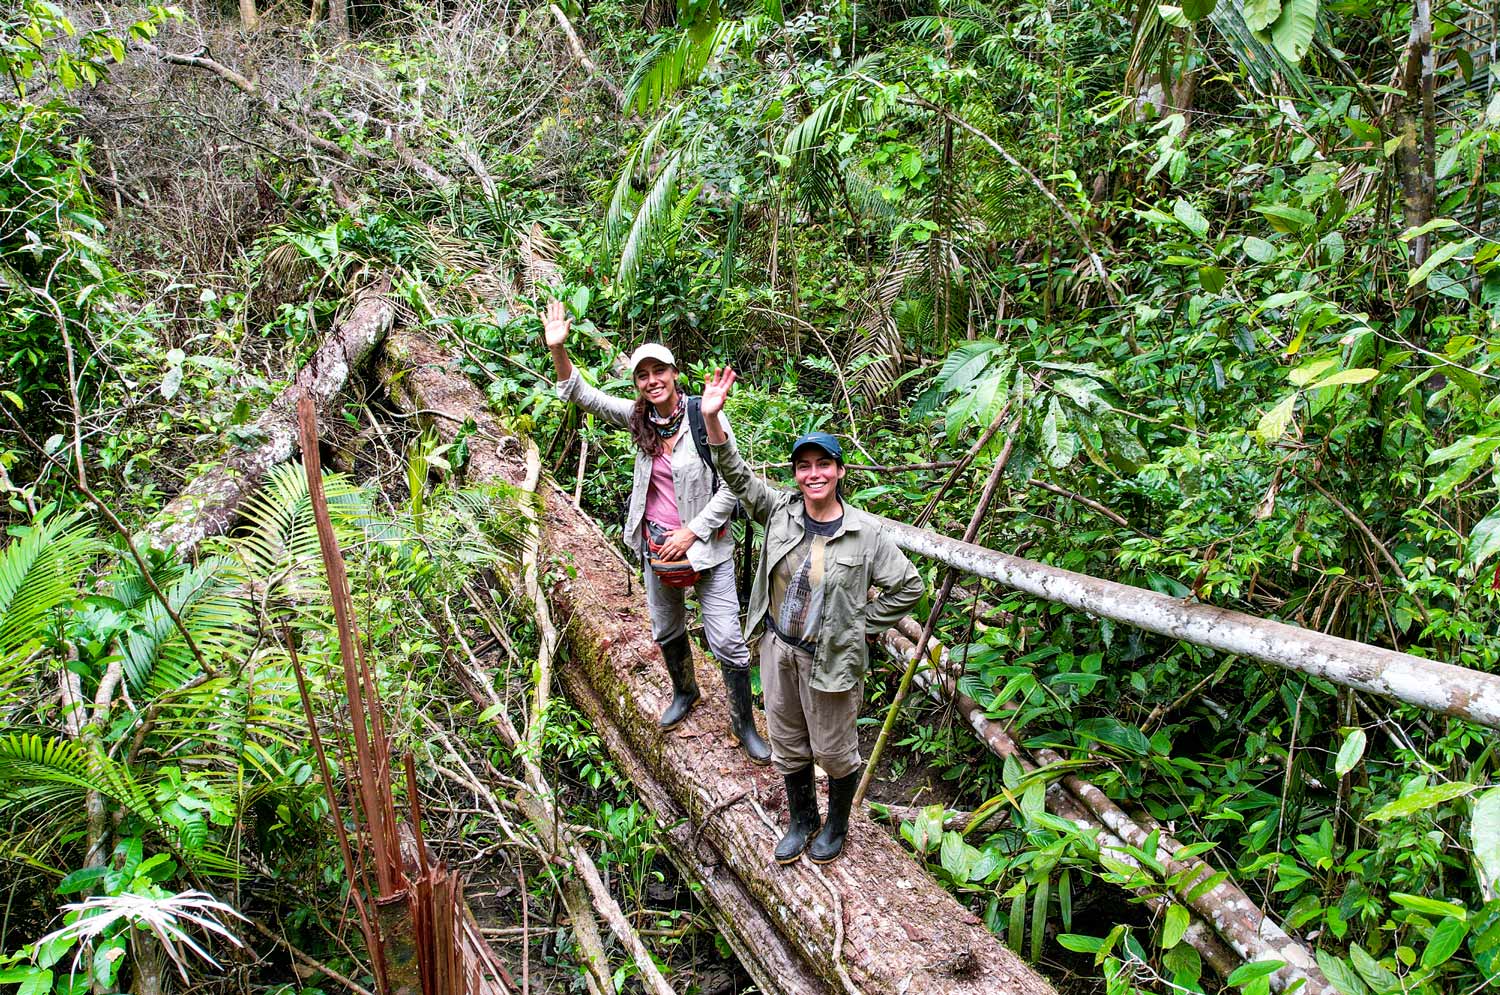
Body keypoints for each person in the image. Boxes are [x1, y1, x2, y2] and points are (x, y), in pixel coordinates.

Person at [699, 367, 923, 864]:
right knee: (787, 740)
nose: (814, 474)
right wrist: (714, 421)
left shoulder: (865, 536)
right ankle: (802, 819)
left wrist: (861, 624)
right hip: (779, 647)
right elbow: (736, 475)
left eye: (824, 464)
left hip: (831, 660)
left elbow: (909, 586)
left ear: (840, 472)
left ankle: (837, 826)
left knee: (835, 749)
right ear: (796, 474)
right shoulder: (780, 511)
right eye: (804, 466)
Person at [542, 300, 770, 764]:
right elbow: (580, 394)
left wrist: (694, 530)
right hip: (656, 546)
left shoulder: (705, 415)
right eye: (643, 375)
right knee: (666, 628)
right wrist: (558, 349)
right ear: (639, 384)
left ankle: (744, 725)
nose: (652, 381)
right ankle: (685, 693)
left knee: (726, 639)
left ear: (673, 372)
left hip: (708, 548)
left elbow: (734, 485)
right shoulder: (637, 417)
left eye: (659, 371)